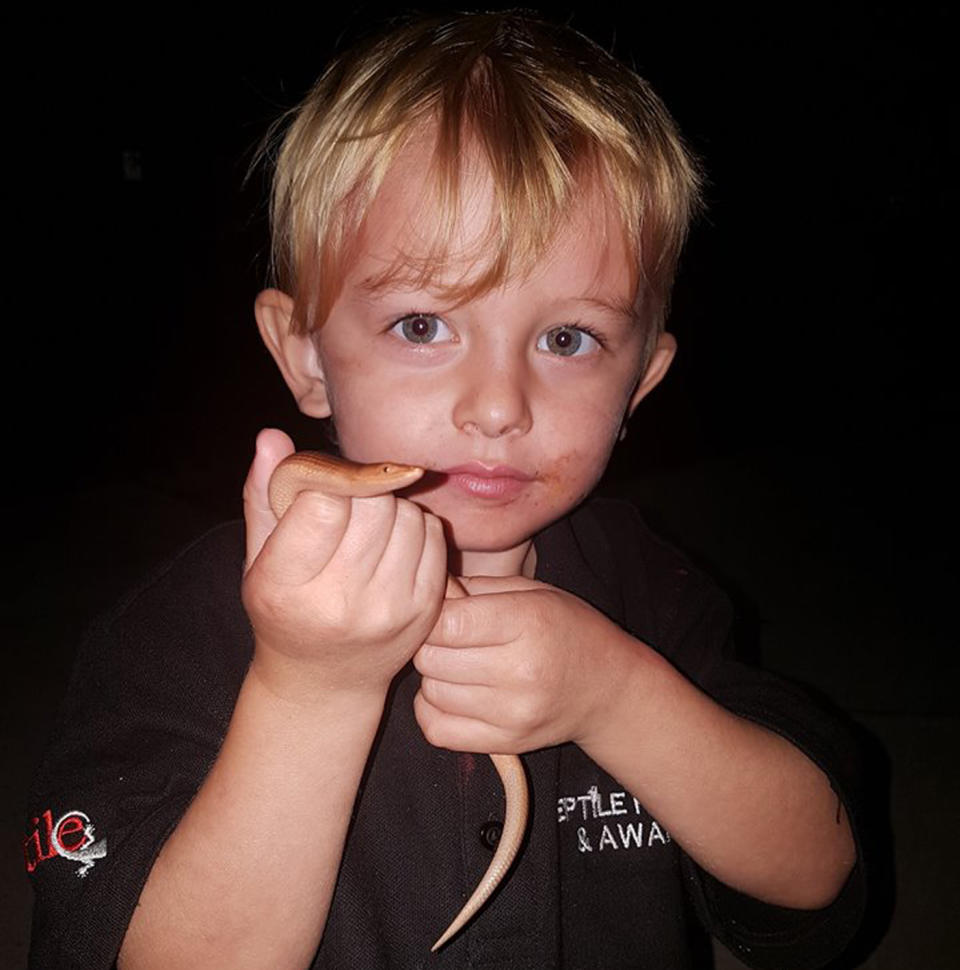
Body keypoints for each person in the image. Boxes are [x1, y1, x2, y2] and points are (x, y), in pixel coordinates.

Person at [26, 11, 866, 969]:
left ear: (639, 383)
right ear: (303, 355)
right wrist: (308, 692)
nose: (499, 406)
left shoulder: (654, 592)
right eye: (423, 325)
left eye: (567, 339)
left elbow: (815, 874)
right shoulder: (173, 632)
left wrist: (617, 698)